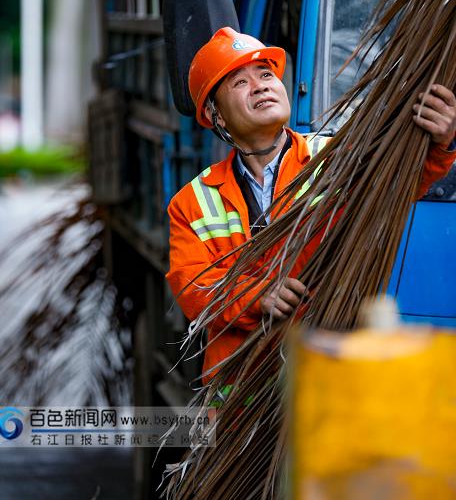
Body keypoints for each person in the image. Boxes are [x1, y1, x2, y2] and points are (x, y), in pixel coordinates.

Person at [166, 27, 456, 384]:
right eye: (239, 82)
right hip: (242, 395)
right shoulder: (192, 201)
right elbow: (192, 288)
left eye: (266, 74)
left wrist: (440, 141)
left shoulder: (337, 158)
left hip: (330, 375)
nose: (260, 85)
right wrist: (257, 296)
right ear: (217, 117)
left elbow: (401, 181)